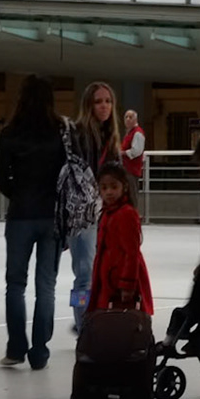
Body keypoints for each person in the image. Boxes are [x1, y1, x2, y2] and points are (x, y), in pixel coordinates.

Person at [0, 76, 67, 369]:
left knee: (15, 284)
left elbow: (0, 179)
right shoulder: (60, 130)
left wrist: (18, 194)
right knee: (46, 286)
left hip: (21, 214)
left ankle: (15, 348)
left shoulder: (9, 132)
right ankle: (40, 352)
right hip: (51, 215)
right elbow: (68, 173)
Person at [65, 81, 133, 329]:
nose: (104, 106)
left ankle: (85, 317)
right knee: (83, 276)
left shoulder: (112, 137)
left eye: (108, 101)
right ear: (88, 105)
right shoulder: (78, 133)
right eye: (98, 101)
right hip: (81, 215)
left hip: (105, 215)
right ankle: (82, 326)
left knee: (100, 274)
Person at [87, 163, 152, 316]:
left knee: (122, 320)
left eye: (114, 187)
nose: (109, 192)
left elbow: (131, 252)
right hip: (108, 278)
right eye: (104, 188)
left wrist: (127, 284)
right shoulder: (106, 213)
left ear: (124, 186)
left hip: (120, 279)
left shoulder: (126, 213)